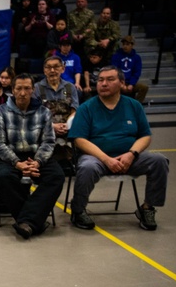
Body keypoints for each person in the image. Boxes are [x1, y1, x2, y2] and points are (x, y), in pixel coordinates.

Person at [68, 66, 169, 231]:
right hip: (97, 158)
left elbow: (145, 136)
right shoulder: (87, 107)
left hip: (128, 158)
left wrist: (131, 154)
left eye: (110, 79)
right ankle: (78, 210)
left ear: (122, 83)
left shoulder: (134, 106)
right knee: (87, 167)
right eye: (100, 80)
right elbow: (79, 140)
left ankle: (147, 208)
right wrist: (106, 159)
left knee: (159, 161)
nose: (104, 84)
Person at [0, 74, 65, 238]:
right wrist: (18, 163)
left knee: (57, 176)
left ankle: (27, 222)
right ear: (12, 90)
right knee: (3, 176)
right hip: (9, 156)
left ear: (33, 90)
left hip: (36, 156)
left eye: (27, 88)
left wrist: (37, 162)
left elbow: (49, 141)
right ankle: (33, 221)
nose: (23, 93)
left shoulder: (44, 112)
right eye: (19, 88)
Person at [111, 35, 148, 102]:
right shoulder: (116, 56)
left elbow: (137, 72)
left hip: (130, 82)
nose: (125, 46)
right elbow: (114, 70)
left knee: (144, 87)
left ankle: (136, 106)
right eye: (124, 44)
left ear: (132, 45)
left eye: (127, 44)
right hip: (119, 82)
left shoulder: (136, 58)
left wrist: (131, 84)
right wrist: (121, 84)